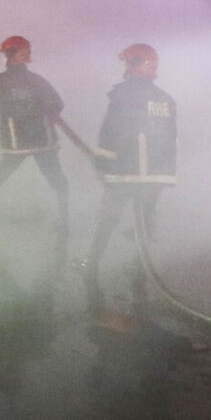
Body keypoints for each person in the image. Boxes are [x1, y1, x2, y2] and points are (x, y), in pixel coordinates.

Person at [84, 43, 176, 311]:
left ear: (136, 64)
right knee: (146, 217)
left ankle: (91, 262)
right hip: (154, 177)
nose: (124, 68)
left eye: (127, 63)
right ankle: (139, 267)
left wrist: (102, 161)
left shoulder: (122, 95)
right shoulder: (166, 100)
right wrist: (166, 178)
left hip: (126, 172)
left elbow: (111, 131)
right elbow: (172, 142)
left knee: (109, 216)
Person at [0, 35, 70, 250]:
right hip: (16, 142)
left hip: (43, 142)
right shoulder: (0, 81)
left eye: (27, 51)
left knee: (59, 182)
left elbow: (58, 103)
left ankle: (65, 220)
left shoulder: (37, 81)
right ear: (10, 55)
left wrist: (48, 109)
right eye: (22, 51)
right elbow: (0, 106)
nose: (26, 55)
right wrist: (33, 109)